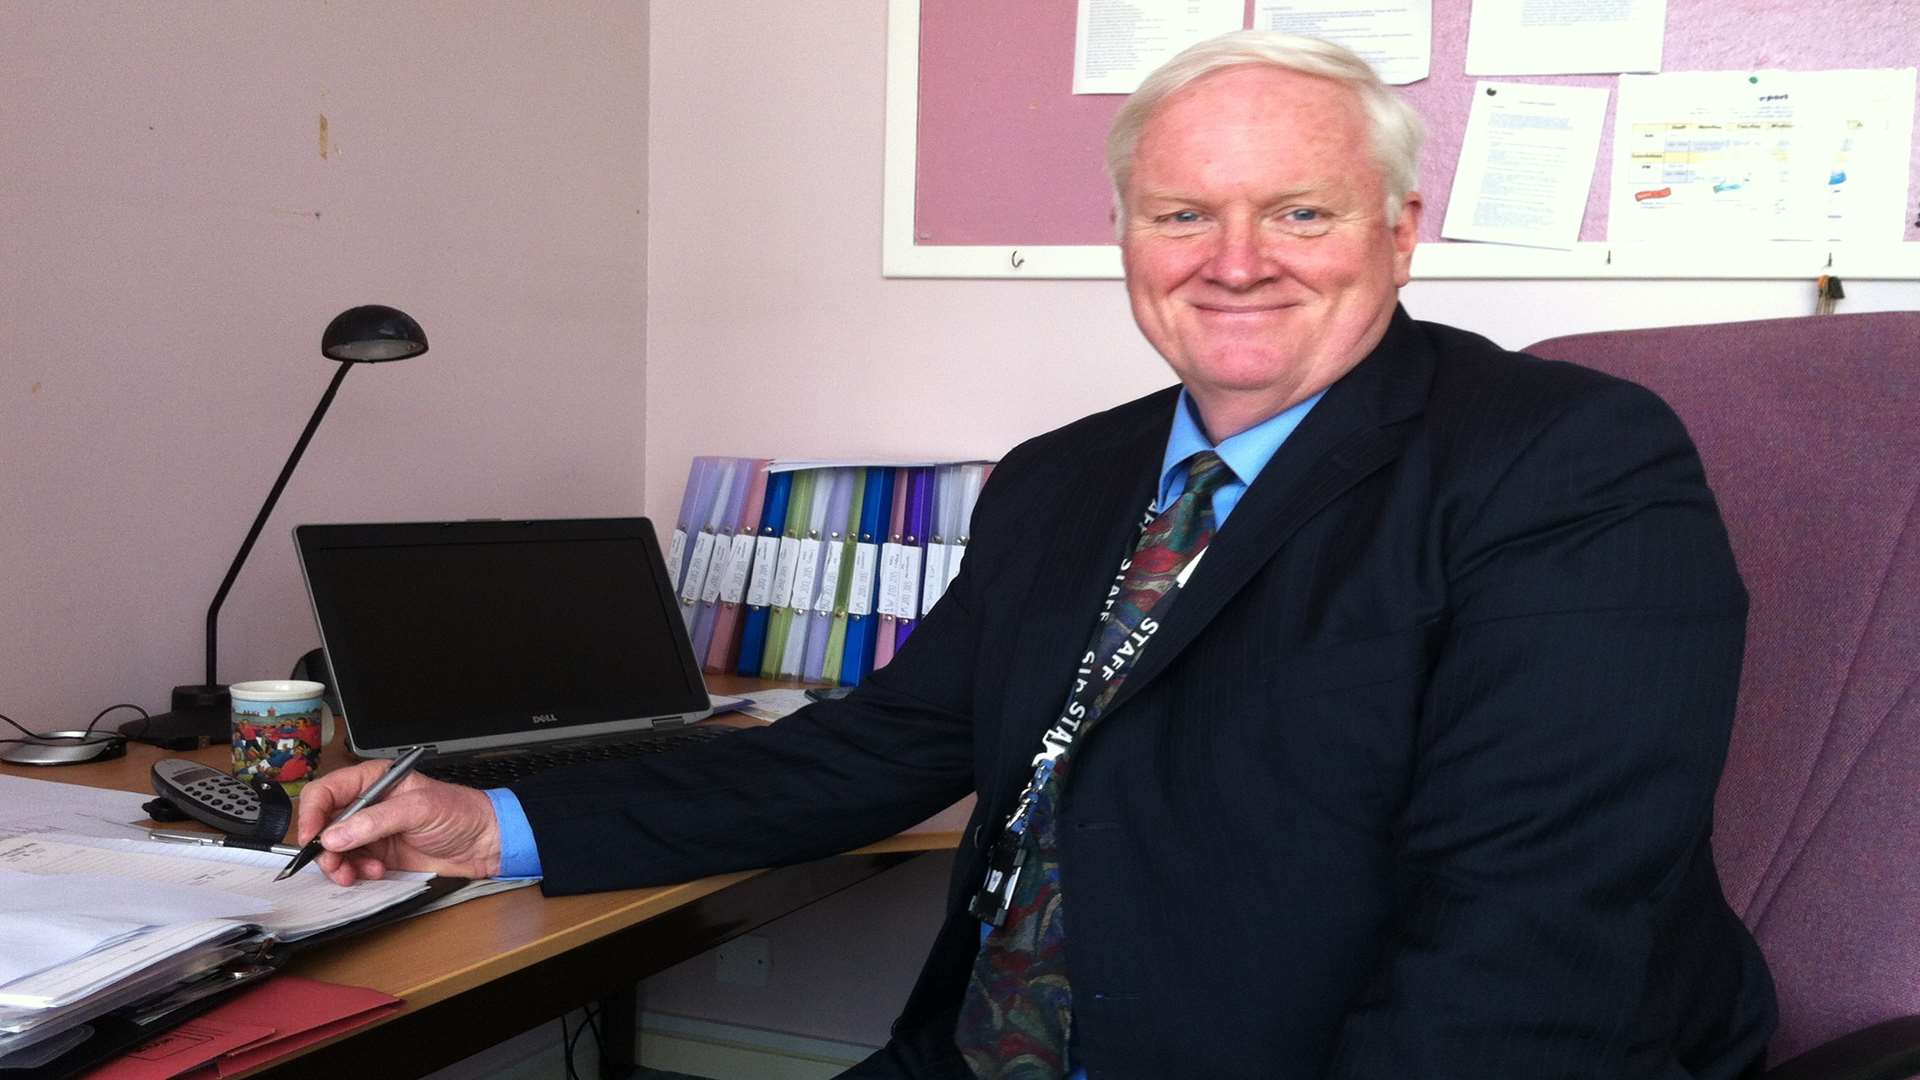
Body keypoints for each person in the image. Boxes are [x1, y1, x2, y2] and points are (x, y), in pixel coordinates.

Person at [298, 31, 1776, 1080]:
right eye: (1183, 212)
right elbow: (871, 753)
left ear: (1400, 232)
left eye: (1301, 213)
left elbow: (1531, 922)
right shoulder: (1069, 479)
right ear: (1127, 233)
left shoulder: (1567, 460)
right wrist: (491, 827)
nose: (1236, 257)